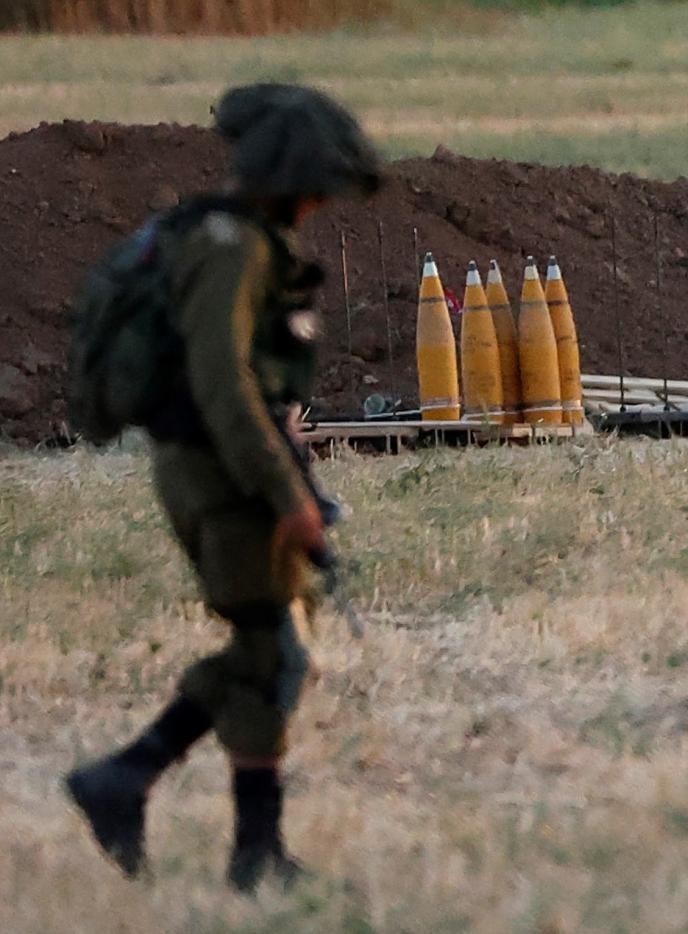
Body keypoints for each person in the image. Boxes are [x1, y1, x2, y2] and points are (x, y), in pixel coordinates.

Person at [64, 83, 381, 892]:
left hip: (223, 463)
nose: (322, 205)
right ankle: (140, 786)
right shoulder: (233, 249)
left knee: (266, 652)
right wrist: (287, 495)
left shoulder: (224, 235)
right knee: (272, 651)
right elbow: (224, 384)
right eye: (318, 187)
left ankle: (243, 847)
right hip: (217, 473)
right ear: (292, 180)